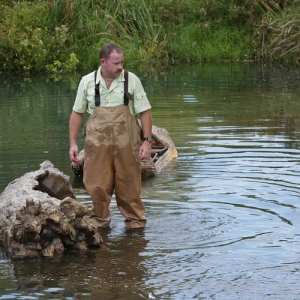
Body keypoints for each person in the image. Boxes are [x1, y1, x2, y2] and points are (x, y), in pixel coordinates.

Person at [69, 43, 152, 230]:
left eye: (122, 62)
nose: (120, 67)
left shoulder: (132, 80)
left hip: (127, 146)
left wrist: (147, 141)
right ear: (103, 62)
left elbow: (145, 112)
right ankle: (100, 226)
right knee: (97, 186)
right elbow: (77, 113)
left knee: (129, 186)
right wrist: (73, 143)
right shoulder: (87, 81)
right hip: (97, 146)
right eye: (116, 63)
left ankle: (135, 228)